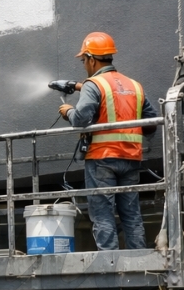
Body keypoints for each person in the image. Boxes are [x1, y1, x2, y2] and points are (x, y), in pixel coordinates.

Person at [59, 32, 158, 251]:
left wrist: (68, 111)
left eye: (84, 61)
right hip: (131, 159)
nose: (84, 65)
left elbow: (80, 119)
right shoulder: (134, 85)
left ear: (92, 59)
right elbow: (151, 123)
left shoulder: (94, 84)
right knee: (131, 215)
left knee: (103, 215)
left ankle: (110, 262)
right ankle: (138, 258)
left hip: (102, 159)